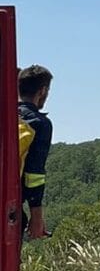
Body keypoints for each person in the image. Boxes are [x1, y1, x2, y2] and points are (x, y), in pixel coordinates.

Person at [17, 65, 53, 240]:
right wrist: (37, 216)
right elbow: (34, 174)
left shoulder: (8, 115)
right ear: (43, 90)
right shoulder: (39, 123)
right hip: (10, 207)